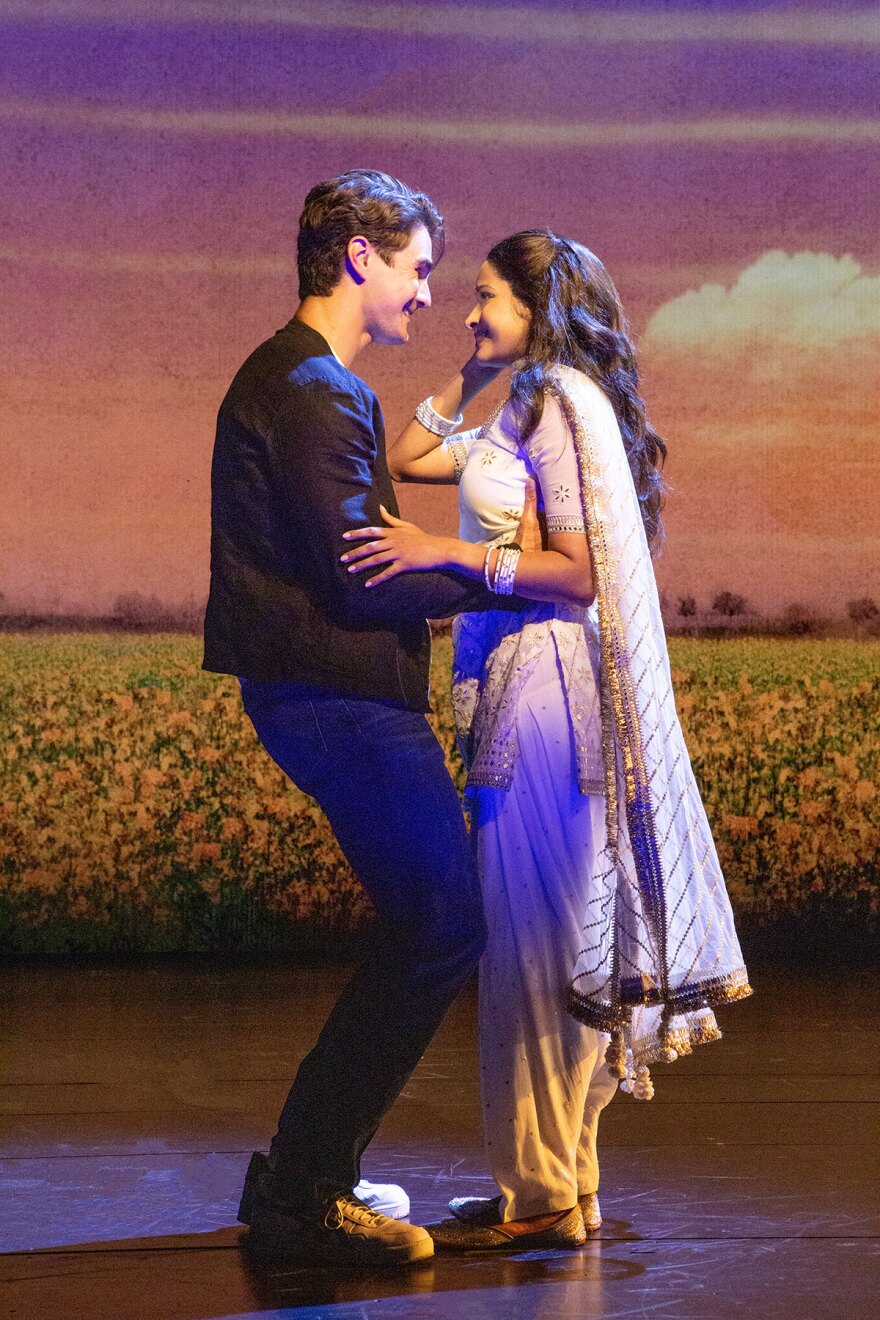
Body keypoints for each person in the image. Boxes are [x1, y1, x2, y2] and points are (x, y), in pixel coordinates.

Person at [341, 229, 753, 1251]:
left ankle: (541, 1199)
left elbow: (578, 573)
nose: (465, 309)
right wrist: (473, 370)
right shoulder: (534, 395)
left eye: (484, 298)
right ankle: (559, 1188)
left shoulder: (565, 405)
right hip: (520, 688)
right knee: (539, 945)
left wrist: (445, 555)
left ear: (538, 303)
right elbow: (408, 456)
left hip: (546, 700)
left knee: (534, 952)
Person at [202, 172, 531, 1266]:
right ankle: (304, 1192)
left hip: (323, 693)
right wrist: (511, 579)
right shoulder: (316, 389)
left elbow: (374, 537)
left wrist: (448, 556)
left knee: (430, 925)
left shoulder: (306, 379)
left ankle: (306, 1177)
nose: (428, 294)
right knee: (441, 926)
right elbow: (363, 580)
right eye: (419, 267)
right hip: (336, 695)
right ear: (360, 257)